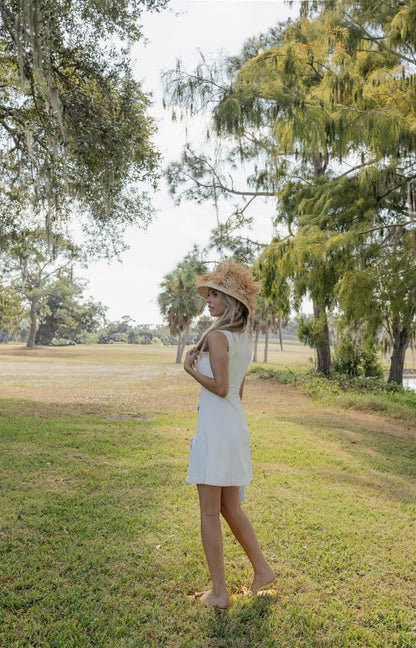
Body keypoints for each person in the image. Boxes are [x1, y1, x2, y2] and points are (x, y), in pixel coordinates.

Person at [184, 259, 275, 610]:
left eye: (215, 295)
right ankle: (263, 570)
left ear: (230, 302)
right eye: (208, 294)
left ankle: (219, 594)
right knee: (229, 507)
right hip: (232, 425)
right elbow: (237, 391)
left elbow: (221, 388)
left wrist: (190, 369)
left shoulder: (219, 336)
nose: (208, 299)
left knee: (210, 512)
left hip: (219, 430)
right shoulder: (241, 339)